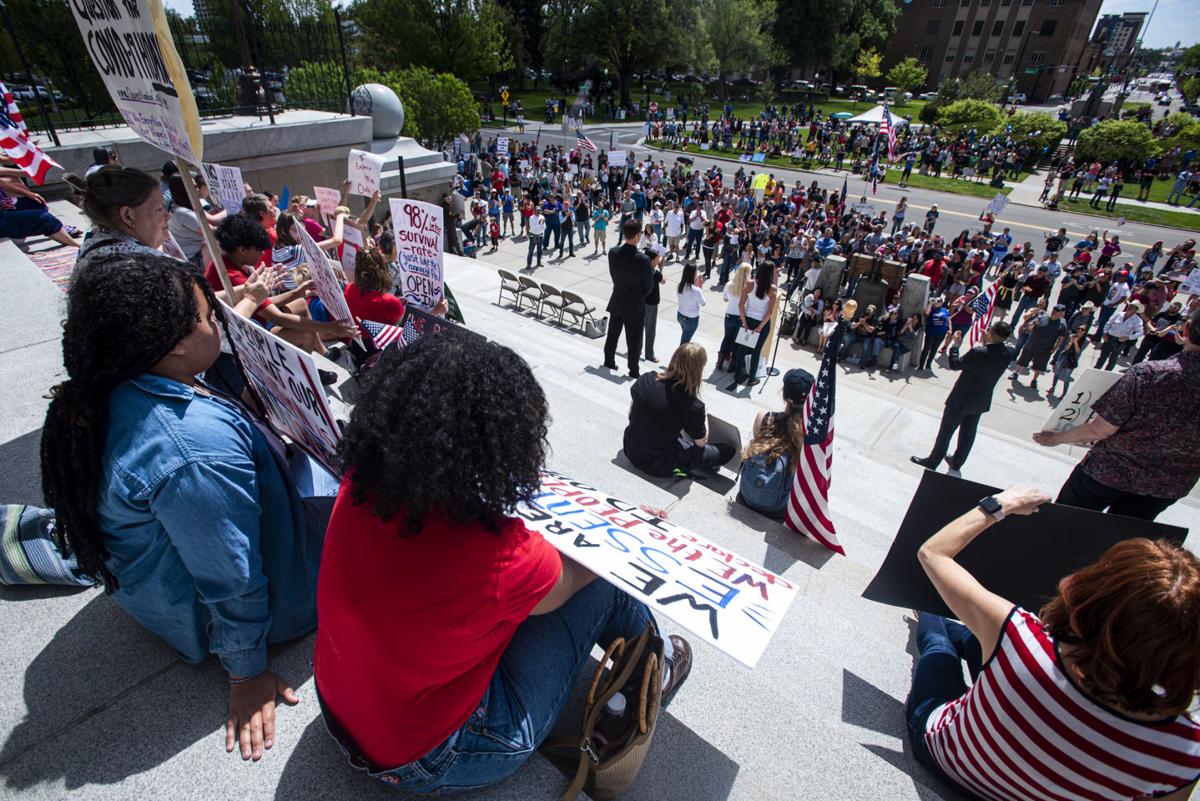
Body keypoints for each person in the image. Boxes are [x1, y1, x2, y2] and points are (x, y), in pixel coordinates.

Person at [315, 335, 692, 792]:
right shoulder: (497, 557)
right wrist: (630, 531)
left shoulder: (363, 481)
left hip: (342, 703)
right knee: (604, 576)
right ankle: (657, 660)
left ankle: (648, 652)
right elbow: (580, 573)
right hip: (440, 753)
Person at [40, 252, 335, 763]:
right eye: (206, 316)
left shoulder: (114, 380)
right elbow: (232, 574)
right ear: (173, 344)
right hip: (252, 604)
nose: (218, 319)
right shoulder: (191, 451)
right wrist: (246, 672)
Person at [908, 488, 1200, 801]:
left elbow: (932, 553)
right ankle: (965, 639)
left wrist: (1000, 505)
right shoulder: (1185, 752)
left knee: (940, 646)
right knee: (984, 641)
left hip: (949, 761)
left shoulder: (1019, 635)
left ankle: (941, 634)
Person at [1032, 309, 1200, 520]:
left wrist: (1054, 438)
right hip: (1165, 487)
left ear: (1185, 331)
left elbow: (1099, 429)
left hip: (1106, 474)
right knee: (1122, 544)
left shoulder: (1149, 374)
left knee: (1064, 524)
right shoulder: (1149, 374)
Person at [911, 320, 1015, 473]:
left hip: (961, 399)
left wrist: (955, 346)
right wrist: (986, 343)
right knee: (968, 434)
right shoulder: (1009, 353)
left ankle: (933, 461)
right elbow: (993, 354)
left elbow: (955, 365)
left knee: (945, 433)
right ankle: (957, 462)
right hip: (980, 401)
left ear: (991, 333)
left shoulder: (979, 352)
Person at [623, 342, 736, 476]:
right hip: (659, 464)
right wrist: (703, 415)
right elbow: (701, 443)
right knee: (728, 450)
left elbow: (631, 413)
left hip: (630, 449)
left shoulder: (647, 379)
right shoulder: (693, 405)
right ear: (698, 370)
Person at [736, 369, 813, 519]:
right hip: (778, 508)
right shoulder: (809, 435)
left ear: (783, 393)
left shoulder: (764, 417)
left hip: (747, 494)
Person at [603, 218, 655, 377]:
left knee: (613, 333)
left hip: (618, 298)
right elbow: (648, 286)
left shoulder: (613, 252)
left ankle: (608, 361)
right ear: (638, 236)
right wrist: (638, 295)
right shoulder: (643, 260)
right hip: (634, 305)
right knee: (634, 340)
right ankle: (633, 370)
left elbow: (614, 274)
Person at [728, 261, 779, 390]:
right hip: (762, 323)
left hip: (748, 320)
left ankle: (738, 375)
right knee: (757, 351)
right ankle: (752, 378)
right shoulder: (773, 289)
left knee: (742, 349)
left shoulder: (750, 283)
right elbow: (770, 312)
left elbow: (741, 305)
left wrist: (744, 322)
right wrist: (760, 327)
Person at [1009, 304, 1067, 390]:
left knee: (1038, 367)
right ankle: (1016, 373)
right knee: (1023, 360)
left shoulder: (1062, 325)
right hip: (1031, 344)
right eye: (1054, 309)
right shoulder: (1042, 317)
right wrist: (1034, 324)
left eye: (1057, 311)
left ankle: (1034, 380)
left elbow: (1061, 339)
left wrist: (1054, 349)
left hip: (1045, 349)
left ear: (1062, 313)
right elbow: (1029, 326)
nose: (1054, 312)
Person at [716, 262, 752, 370]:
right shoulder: (749, 288)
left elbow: (725, 299)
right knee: (737, 341)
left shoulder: (729, 284)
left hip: (729, 315)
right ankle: (732, 365)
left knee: (727, 338)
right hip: (741, 317)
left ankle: (720, 362)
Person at [1095, 300, 1144, 371]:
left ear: (1136, 309)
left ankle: (1106, 373)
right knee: (1102, 356)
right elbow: (1108, 323)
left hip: (1120, 342)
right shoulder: (1119, 314)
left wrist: (1128, 337)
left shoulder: (1137, 320)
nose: (1129, 307)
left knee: (1113, 359)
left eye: (1132, 307)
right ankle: (1096, 370)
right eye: (1129, 306)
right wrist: (1105, 333)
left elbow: (1140, 332)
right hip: (1110, 338)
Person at [1046, 323, 1089, 398]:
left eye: (1082, 329)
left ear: (1085, 331)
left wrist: (1075, 342)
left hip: (1072, 359)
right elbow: (1066, 348)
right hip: (1064, 356)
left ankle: (1063, 394)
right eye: (1078, 328)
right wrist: (1071, 342)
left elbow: (1078, 351)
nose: (1079, 330)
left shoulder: (1086, 341)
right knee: (1057, 372)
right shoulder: (1072, 336)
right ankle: (1053, 387)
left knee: (1066, 377)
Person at [643, 248, 666, 362]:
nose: (658, 260)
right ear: (652, 260)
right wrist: (661, 268)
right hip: (651, 305)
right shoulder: (654, 273)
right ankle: (649, 355)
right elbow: (663, 280)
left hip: (640, 302)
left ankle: (636, 350)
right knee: (650, 330)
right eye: (657, 259)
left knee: (638, 328)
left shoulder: (642, 269)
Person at [676, 260, 706, 345]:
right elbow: (703, 303)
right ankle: (681, 357)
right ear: (693, 274)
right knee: (684, 343)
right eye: (696, 273)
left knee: (685, 335)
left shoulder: (680, 286)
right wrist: (699, 288)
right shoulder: (696, 290)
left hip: (680, 316)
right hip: (691, 319)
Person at [918, 296, 950, 372]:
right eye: (936, 301)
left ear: (941, 302)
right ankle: (921, 364)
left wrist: (950, 329)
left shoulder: (945, 310)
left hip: (941, 333)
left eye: (939, 301)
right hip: (931, 332)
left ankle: (929, 363)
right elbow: (926, 313)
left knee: (934, 349)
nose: (937, 302)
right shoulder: (931, 309)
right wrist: (930, 304)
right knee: (926, 349)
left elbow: (948, 320)